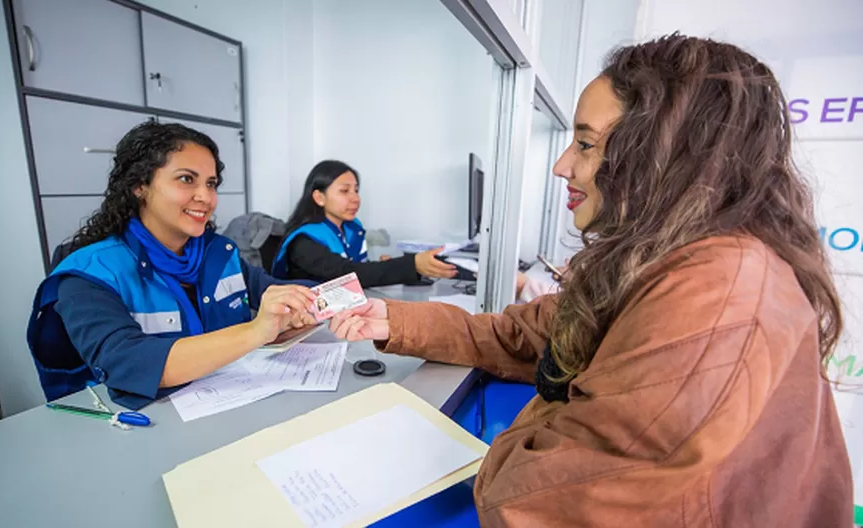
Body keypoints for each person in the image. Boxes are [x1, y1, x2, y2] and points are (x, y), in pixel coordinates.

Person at [329, 35, 852, 525]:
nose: (562, 166)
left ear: (665, 156)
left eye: (584, 144)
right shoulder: (665, 261)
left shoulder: (718, 292)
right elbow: (530, 335)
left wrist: (538, 414)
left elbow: (529, 499)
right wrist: (393, 319)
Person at [27, 122, 316, 409]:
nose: (206, 197)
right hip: (137, 426)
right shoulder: (89, 274)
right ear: (140, 186)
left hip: (232, 406)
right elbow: (127, 363)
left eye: (211, 184)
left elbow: (276, 291)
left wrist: (340, 301)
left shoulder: (218, 252)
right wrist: (256, 331)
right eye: (187, 179)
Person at [271, 160, 458, 287]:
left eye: (356, 190)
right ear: (319, 197)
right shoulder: (305, 241)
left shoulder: (351, 228)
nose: (355, 199)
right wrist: (409, 265)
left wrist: (397, 267)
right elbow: (347, 275)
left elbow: (357, 267)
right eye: (344, 191)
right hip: (310, 323)